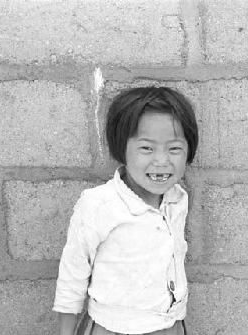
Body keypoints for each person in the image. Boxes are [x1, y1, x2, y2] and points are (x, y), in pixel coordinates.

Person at [53, 87, 199, 335]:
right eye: (146, 148)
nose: (162, 161)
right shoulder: (100, 205)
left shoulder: (177, 200)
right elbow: (72, 277)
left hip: (169, 325)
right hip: (114, 328)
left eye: (174, 148)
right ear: (122, 149)